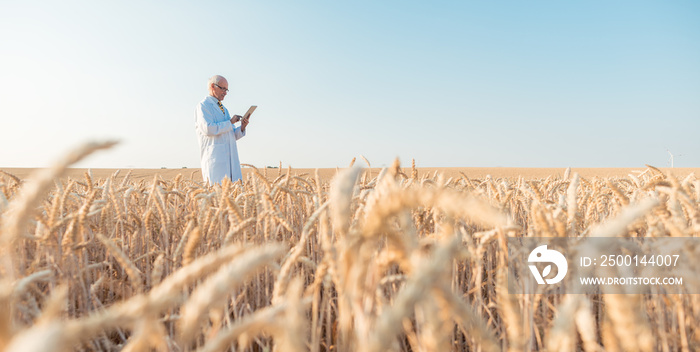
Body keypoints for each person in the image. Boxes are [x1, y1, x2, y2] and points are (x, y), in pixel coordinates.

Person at [195, 75, 250, 184]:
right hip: (215, 159)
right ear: (212, 86)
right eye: (222, 88)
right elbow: (207, 129)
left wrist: (242, 127)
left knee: (232, 194)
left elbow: (231, 135)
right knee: (216, 194)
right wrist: (230, 122)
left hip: (230, 161)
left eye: (226, 89)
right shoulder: (203, 106)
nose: (225, 92)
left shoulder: (224, 109)